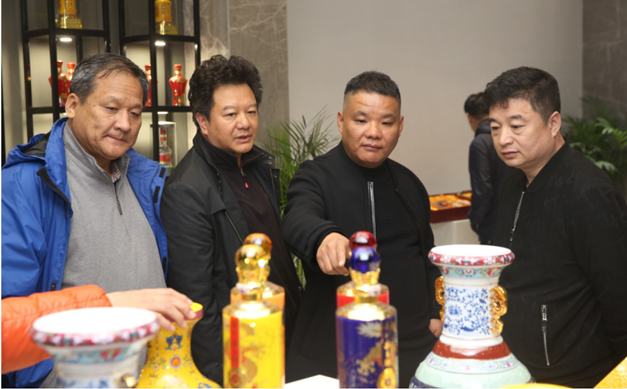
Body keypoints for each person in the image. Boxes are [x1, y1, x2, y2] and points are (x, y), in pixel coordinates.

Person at [1, 53, 195, 388]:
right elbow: (11, 309)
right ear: (73, 105)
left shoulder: (145, 177)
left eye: (135, 113)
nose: (124, 123)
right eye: (111, 108)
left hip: (151, 373)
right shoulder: (26, 184)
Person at [281, 71, 442, 387]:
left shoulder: (410, 183)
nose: (374, 132)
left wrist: (436, 311)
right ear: (341, 121)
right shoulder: (315, 176)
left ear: (400, 126)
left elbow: (427, 258)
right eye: (361, 120)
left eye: (386, 122)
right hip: (336, 354)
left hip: (412, 352)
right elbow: (298, 218)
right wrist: (324, 236)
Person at [485, 66, 627, 387]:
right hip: (517, 368)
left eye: (516, 126)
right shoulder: (513, 182)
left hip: (576, 375)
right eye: (495, 127)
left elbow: (621, 298)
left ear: (553, 123)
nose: (503, 139)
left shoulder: (588, 192)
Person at [161, 55, 302, 385]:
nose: (245, 123)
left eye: (251, 111)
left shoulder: (257, 166)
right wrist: (224, 374)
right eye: (230, 114)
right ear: (203, 121)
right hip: (240, 352)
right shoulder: (186, 189)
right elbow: (197, 299)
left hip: (282, 335)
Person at [464, 91, 513, 244]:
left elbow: (482, 189)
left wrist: (475, 219)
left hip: (492, 223)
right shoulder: (509, 138)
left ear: (469, 117)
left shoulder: (480, 144)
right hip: (515, 218)